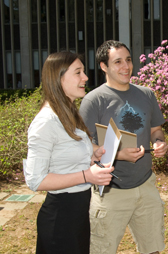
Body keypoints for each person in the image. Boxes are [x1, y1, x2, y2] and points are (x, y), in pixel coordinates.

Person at [79, 40, 168, 254]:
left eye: (128, 60)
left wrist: (159, 141)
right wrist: (118, 155)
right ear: (103, 66)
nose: (126, 66)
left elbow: (156, 129)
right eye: (117, 61)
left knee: (153, 249)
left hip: (146, 185)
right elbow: (83, 147)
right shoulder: (93, 101)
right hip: (111, 190)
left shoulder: (146, 94)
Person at [24, 51, 114, 254]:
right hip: (60, 221)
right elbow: (35, 180)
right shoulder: (46, 122)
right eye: (78, 72)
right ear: (59, 78)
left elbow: (67, 155)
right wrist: (87, 176)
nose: (86, 77)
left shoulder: (69, 115)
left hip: (77, 216)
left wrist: (93, 155)